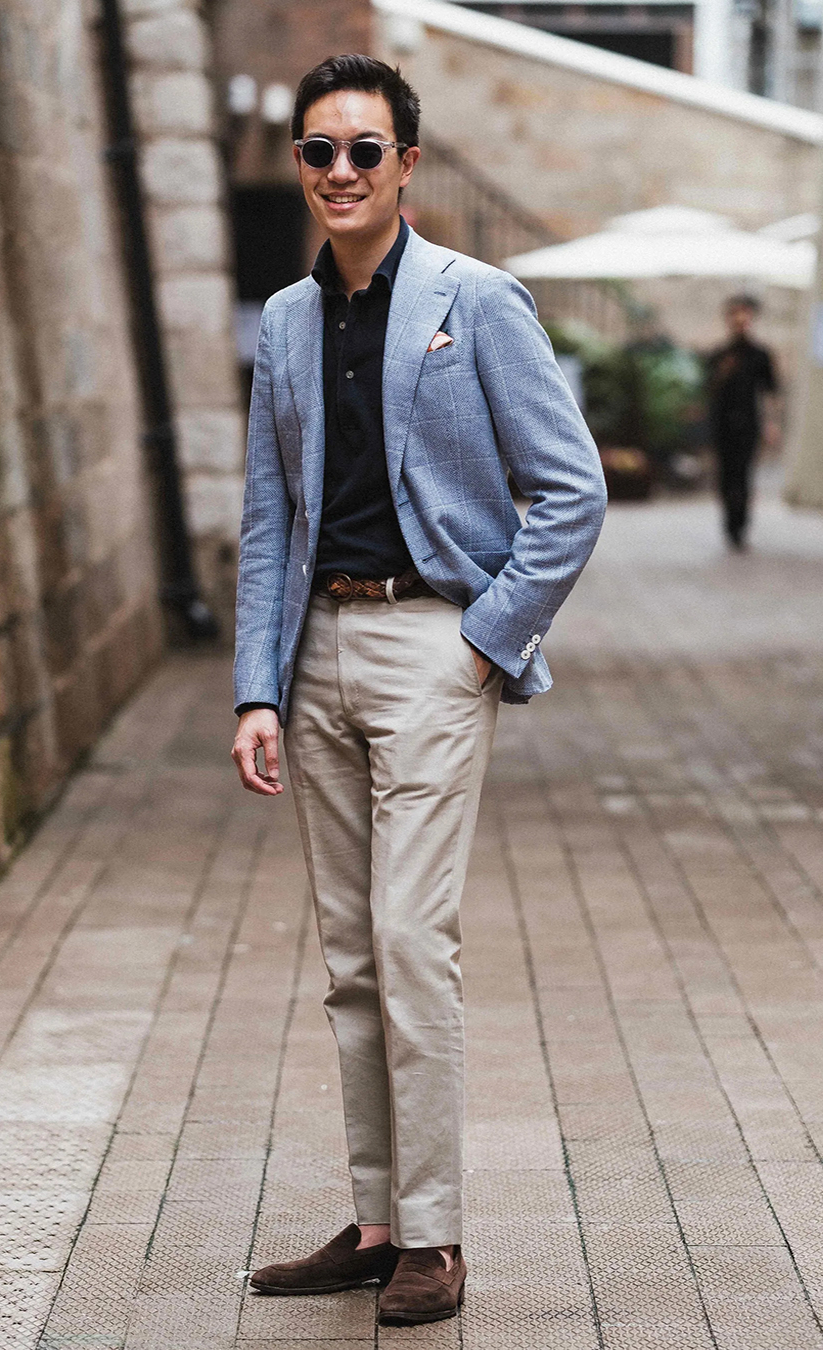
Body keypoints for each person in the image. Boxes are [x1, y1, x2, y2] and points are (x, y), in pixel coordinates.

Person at [230, 54, 606, 1326]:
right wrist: (254, 689)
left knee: (408, 941)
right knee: (348, 958)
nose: (340, 171)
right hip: (314, 656)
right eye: (318, 150)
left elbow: (572, 492)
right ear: (302, 162)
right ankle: (379, 1219)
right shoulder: (283, 321)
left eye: (363, 150)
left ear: (406, 162)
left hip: (431, 646)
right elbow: (269, 514)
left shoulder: (476, 298)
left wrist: (488, 639)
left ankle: (437, 1240)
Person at [706, 294, 779, 549]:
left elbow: (770, 391)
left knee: (743, 475)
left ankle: (741, 526)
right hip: (722, 424)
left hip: (748, 423)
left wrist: (772, 424)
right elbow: (707, 390)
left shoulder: (760, 355)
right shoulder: (719, 355)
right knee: (726, 476)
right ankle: (729, 525)